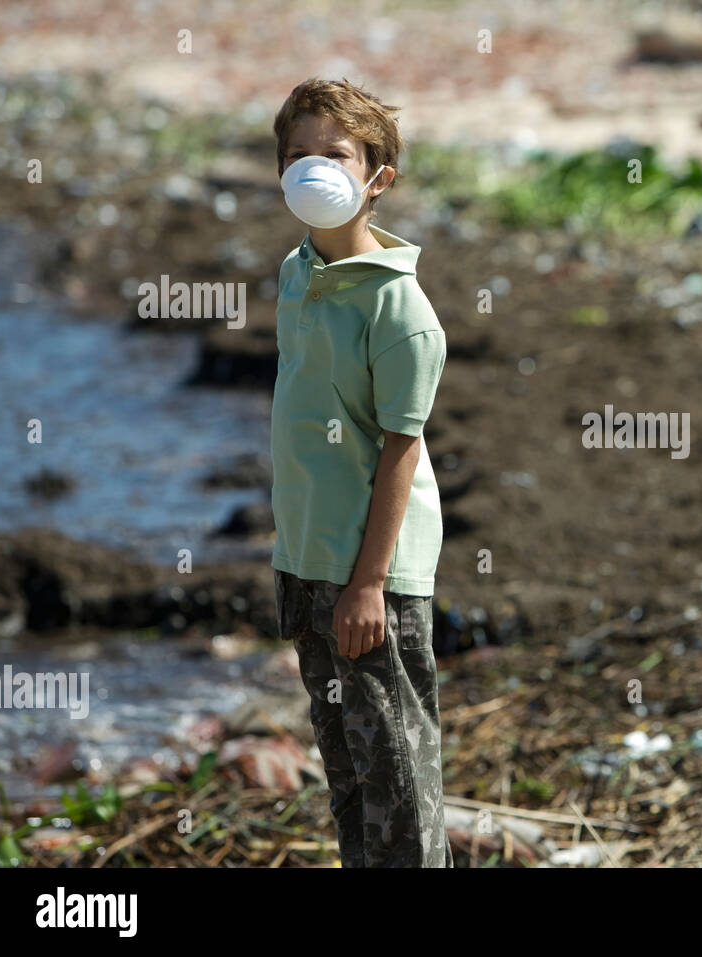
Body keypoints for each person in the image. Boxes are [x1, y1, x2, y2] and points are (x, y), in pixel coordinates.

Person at [269, 77, 451, 867]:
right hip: (307, 562)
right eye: (298, 155)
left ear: (378, 177)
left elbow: (399, 451)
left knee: (399, 780)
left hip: (372, 575)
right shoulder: (297, 272)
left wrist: (369, 583)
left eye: (334, 154)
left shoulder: (399, 310)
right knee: (346, 775)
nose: (315, 169)